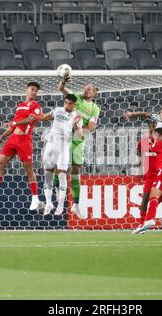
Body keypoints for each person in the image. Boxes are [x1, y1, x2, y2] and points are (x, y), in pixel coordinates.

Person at [0, 82, 42, 210]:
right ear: (27, 90)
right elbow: (14, 126)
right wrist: (1, 138)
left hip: (24, 140)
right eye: (32, 89)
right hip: (13, 139)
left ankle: (35, 198)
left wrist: (13, 122)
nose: (34, 92)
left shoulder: (36, 106)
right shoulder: (20, 106)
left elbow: (30, 119)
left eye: (36, 91)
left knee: (28, 168)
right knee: (0, 162)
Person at [57, 80, 100, 218]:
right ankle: (59, 193)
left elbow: (91, 127)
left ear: (94, 93)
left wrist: (79, 131)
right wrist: (64, 80)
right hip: (64, 137)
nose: (86, 90)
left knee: (76, 169)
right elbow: (62, 89)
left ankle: (76, 205)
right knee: (60, 168)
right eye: (85, 87)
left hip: (78, 140)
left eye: (89, 89)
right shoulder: (76, 98)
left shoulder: (95, 108)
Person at [40, 94, 83, 216]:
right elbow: (44, 117)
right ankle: (48, 203)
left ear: (74, 105)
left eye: (69, 103)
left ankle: (60, 206)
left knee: (62, 175)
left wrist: (75, 123)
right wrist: (34, 116)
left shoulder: (77, 115)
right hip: (51, 145)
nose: (66, 105)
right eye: (65, 102)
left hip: (64, 147)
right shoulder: (57, 110)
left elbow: (79, 136)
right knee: (48, 174)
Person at [133, 127, 162, 234]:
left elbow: (150, 150)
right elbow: (142, 155)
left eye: (154, 134)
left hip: (161, 175)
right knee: (146, 200)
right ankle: (142, 224)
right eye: (151, 132)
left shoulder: (156, 144)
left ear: (159, 136)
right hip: (153, 175)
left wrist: (146, 143)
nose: (152, 135)